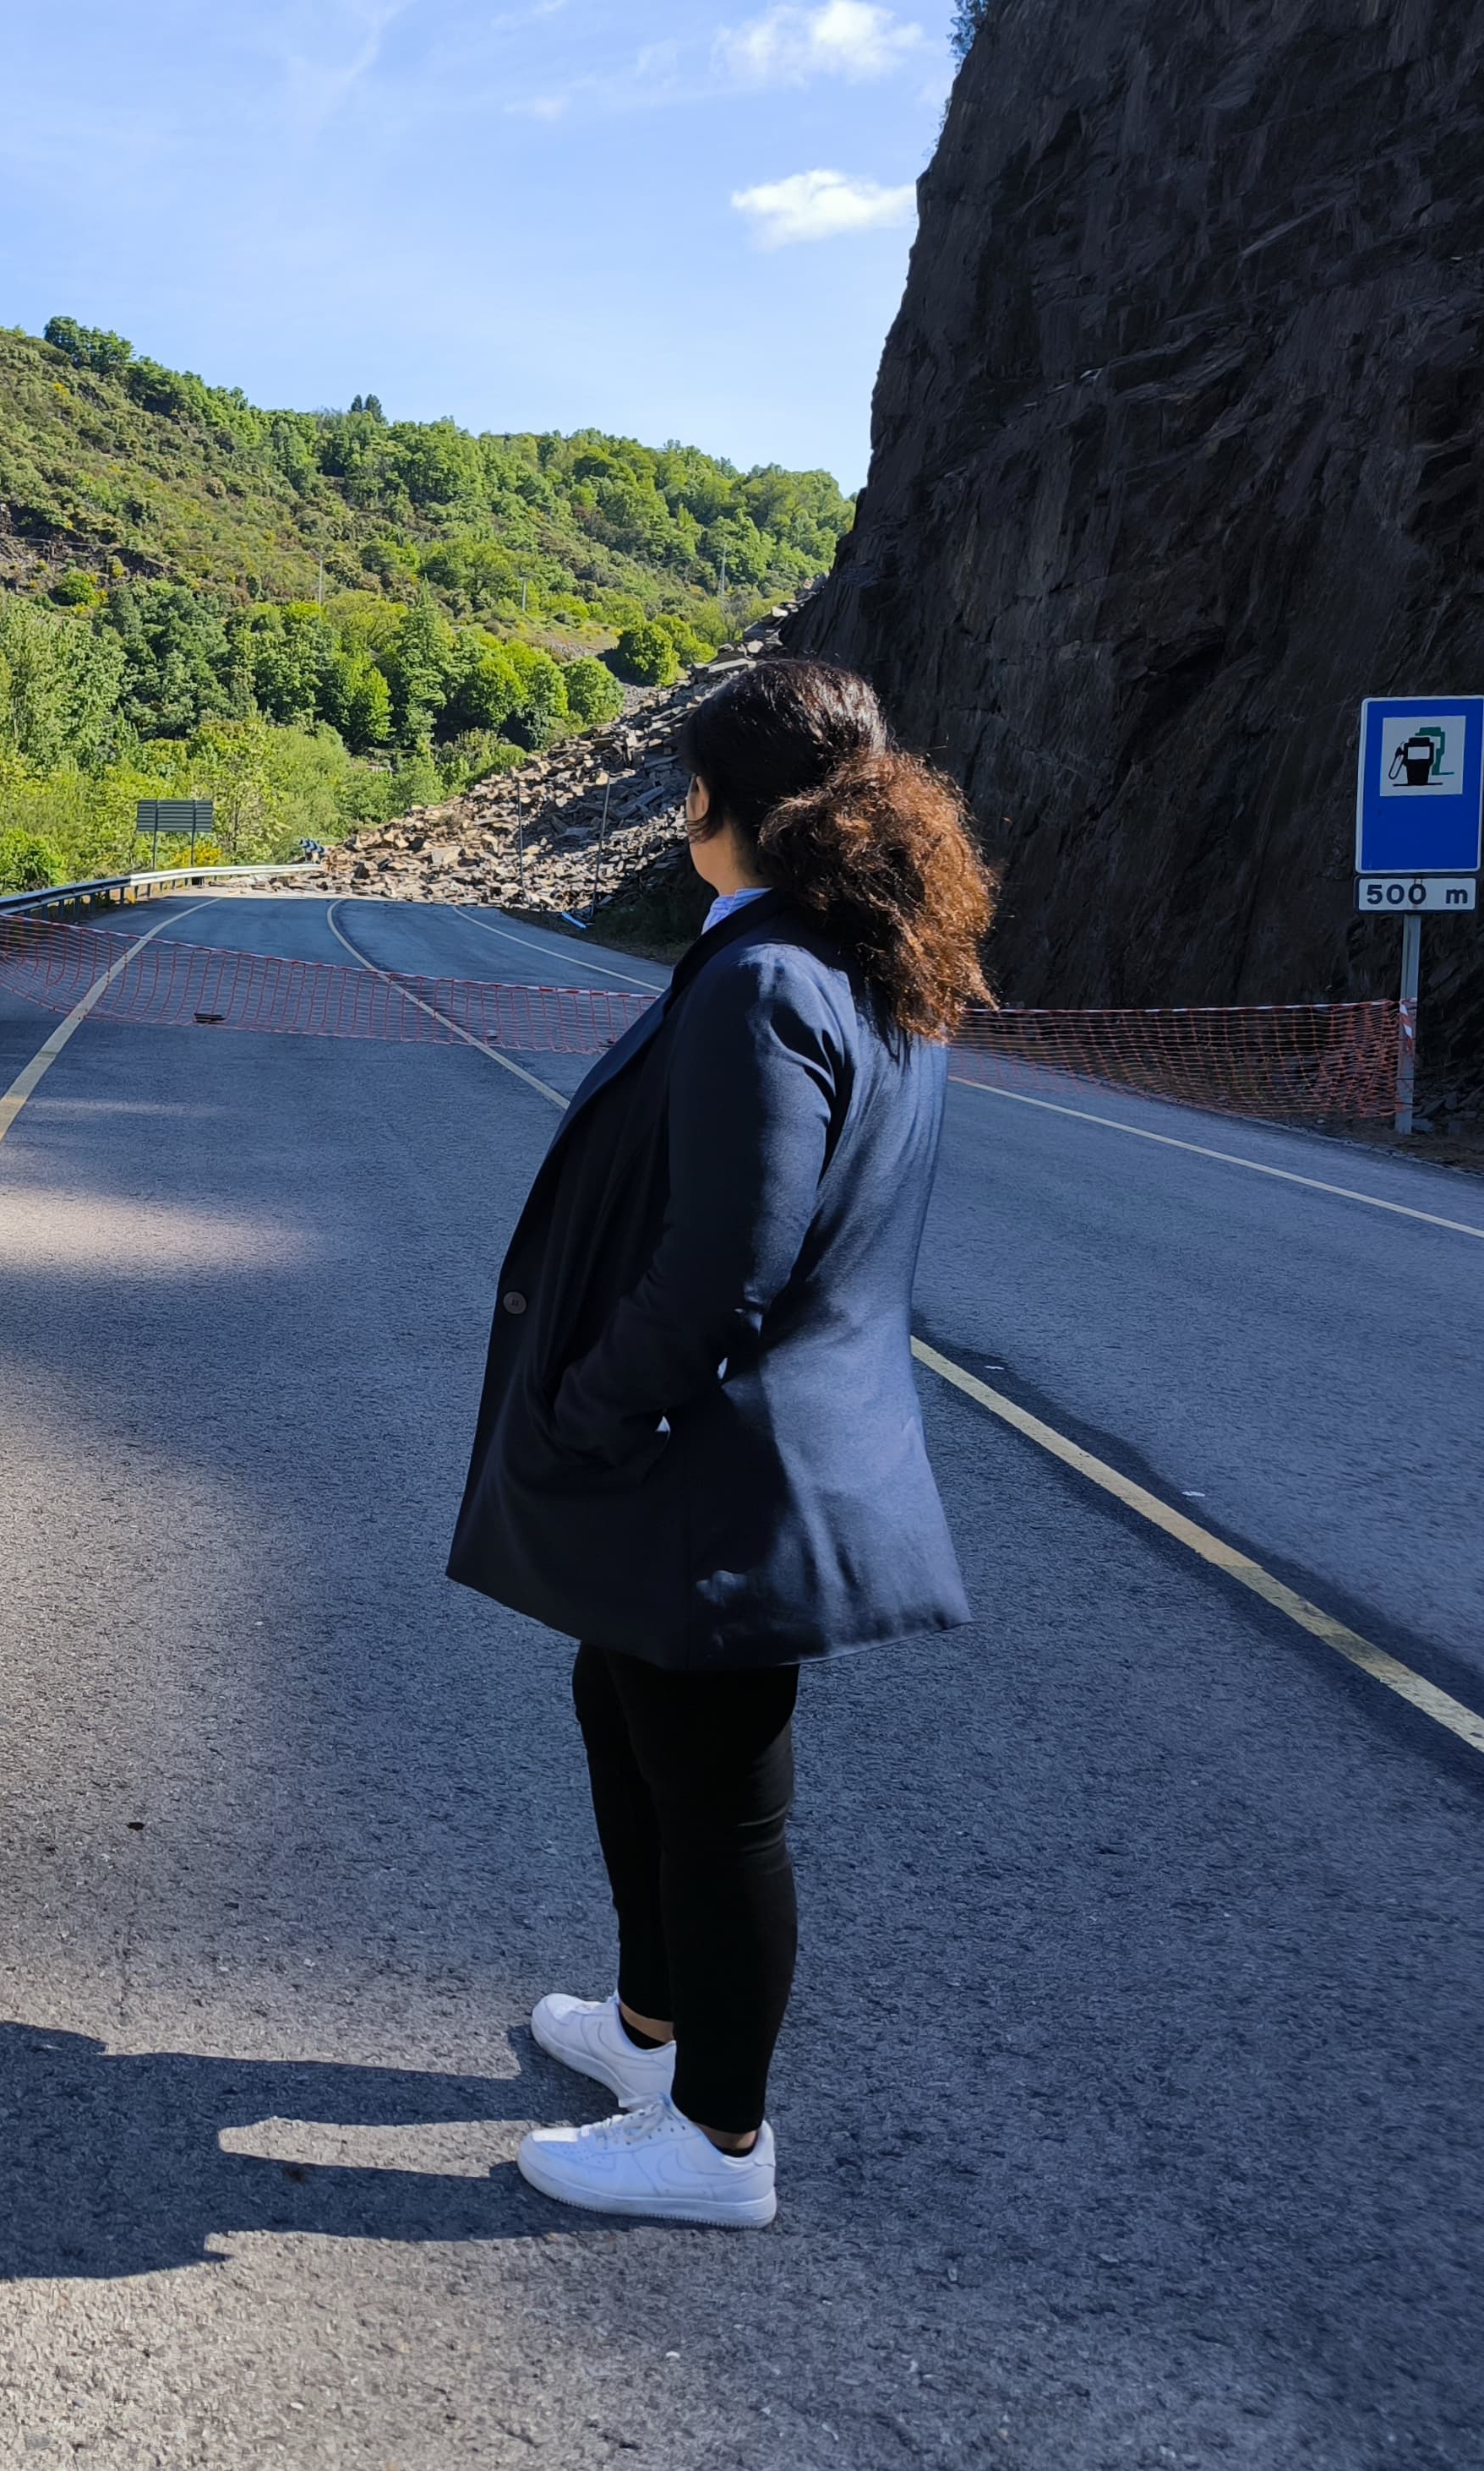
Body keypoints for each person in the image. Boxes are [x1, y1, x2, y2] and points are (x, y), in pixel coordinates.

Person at [447, 657, 995, 2229]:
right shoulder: (868, 964)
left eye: (691, 786)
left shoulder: (763, 978)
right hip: (737, 1458)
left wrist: (584, 1411)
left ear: (727, 808)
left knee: (718, 1797)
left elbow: (724, 1261)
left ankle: (716, 2141)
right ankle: (648, 2032)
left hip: (715, 1467)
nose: (678, 806)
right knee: (621, 1707)